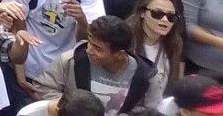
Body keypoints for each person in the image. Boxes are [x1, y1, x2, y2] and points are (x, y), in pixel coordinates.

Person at [30, 14, 158, 114]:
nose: (88, 50)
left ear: (120, 54)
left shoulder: (146, 75)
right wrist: (71, 108)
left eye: (98, 48)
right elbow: (42, 88)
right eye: (90, 42)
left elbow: (150, 109)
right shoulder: (71, 60)